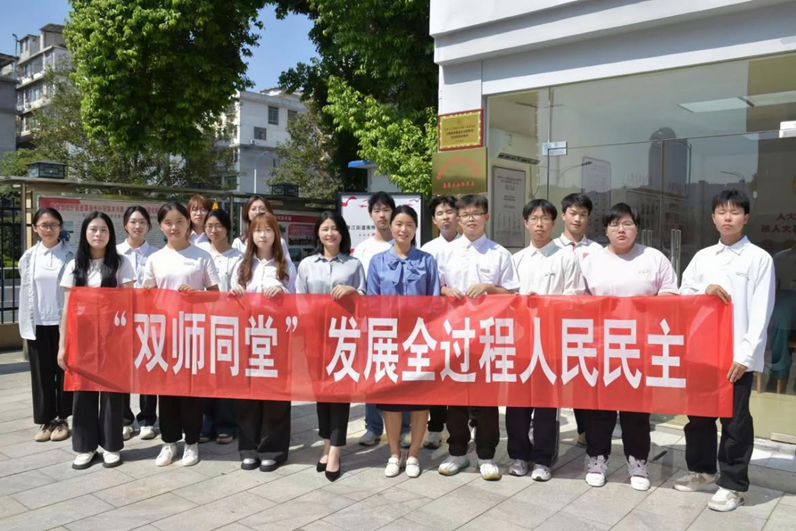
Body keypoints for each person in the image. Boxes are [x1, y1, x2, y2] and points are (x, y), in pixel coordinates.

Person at [675, 189, 776, 512]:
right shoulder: (703, 257)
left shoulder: (759, 259)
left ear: (746, 217)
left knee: (735, 423)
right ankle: (703, 471)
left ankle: (733, 485)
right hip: (702, 353)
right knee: (699, 418)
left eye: (734, 212)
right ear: (713, 218)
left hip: (735, 357)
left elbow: (761, 312)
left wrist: (745, 356)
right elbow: (683, 292)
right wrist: (703, 289)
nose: (727, 217)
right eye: (722, 212)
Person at [579, 203, 678, 491]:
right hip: (601, 346)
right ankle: (597, 459)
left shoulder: (654, 258)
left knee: (637, 410)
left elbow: (671, 295)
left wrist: (644, 306)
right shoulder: (591, 260)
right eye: (614, 224)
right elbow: (578, 301)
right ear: (606, 229)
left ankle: (638, 462)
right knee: (600, 409)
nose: (621, 230)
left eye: (627, 224)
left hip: (640, 346)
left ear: (637, 228)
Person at [437, 194, 519, 481]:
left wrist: (489, 288)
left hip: (488, 336)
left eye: (476, 213)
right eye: (465, 214)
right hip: (455, 334)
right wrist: (446, 291)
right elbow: (437, 287)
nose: (470, 218)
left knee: (486, 399)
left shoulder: (499, 253)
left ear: (487, 217)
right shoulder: (446, 252)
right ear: (458, 219)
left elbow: (512, 293)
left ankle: (486, 454)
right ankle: (457, 452)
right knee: (455, 398)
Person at [508, 199, 585, 481]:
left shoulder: (566, 258)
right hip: (520, 342)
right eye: (534, 218)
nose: (539, 224)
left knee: (546, 405)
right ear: (526, 223)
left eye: (545, 219)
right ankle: (518, 455)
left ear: (554, 223)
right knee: (517, 404)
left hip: (551, 341)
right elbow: (506, 299)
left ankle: (543, 459)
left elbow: (576, 299)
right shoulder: (516, 259)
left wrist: (545, 303)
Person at [143, 202, 220, 467]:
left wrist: (197, 296)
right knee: (166, 393)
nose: (174, 227)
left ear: (188, 223)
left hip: (193, 334)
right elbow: (146, 297)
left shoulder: (202, 256)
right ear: (160, 226)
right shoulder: (155, 259)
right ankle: (169, 442)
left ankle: (191, 443)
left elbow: (216, 296)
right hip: (164, 335)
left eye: (179, 221)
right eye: (168, 222)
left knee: (191, 393)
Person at [57, 211, 136, 469]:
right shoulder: (74, 265)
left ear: (110, 234)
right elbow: (67, 310)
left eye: (103, 230)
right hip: (82, 339)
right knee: (83, 391)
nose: (98, 234)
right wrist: (62, 345)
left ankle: (111, 446)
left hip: (114, 338)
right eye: (93, 229)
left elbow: (130, 305)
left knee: (112, 392)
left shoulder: (121, 263)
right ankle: (85, 447)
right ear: (85, 233)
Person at [368, 205, 439, 479]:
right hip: (389, 339)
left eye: (409, 224)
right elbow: (372, 302)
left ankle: (414, 455)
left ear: (416, 228)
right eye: (399, 224)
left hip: (419, 339)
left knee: (420, 400)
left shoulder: (427, 261)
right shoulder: (377, 262)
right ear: (391, 226)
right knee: (391, 400)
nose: (403, 229)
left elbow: (434, 302)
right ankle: (394, 453)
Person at [295, 210, 366, 482]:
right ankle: (326, 444)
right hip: (315, 337)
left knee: (339, 393)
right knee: (321, 393)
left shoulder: (354, 264)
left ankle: (335, 450)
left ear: (342, 232)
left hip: (343, 338)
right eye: (325, 228)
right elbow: (299, 300)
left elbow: (366, 298)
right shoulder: (306, 264)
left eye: (334, 228)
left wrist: (353, 291)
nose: (330, 233)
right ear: (318, 233)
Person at [231, 212, 296, 472]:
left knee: (275, 394)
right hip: (247, 336)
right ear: (251, 235)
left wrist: (283, 292)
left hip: (276, 337)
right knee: (247, 394)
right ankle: (248, 448)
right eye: (258, 230)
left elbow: (298, 298)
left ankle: (272, 449)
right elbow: (230, 298)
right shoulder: (243, 265)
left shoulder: (285, 264)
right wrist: (235, 292)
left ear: (276, 234)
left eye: (268, 230)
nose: (263, 235)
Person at [355, 192, 410, 447]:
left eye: (386, 209)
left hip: (405, 326)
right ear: (370, 215)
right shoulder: (364, 249)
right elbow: (361, 287)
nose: (382, 215)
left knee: (404, 376)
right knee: (374, 375)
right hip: (373, 324)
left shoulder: (405, 245)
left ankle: (405, 428)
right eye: (377, 210)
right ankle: (373, 427)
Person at [18, 207, 74, 443]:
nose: (49, 229)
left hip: (64, 324)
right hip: (38, 324)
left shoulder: (71, 255)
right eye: (44, 225)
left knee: (64, 373)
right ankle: (46, 420)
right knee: (41, 375)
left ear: (61, 228)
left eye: (54, 225)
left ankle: (62, 419)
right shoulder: (28, 257)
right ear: (35, 228)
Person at [555, 192, 603, 446]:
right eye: (573, 213)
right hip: (555, 324)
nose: (577, 219)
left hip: (587, 324)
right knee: (551, 375)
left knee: (584, 376)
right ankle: (546, 428)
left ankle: (585, 429)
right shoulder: (551, 248)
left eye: (582, 215)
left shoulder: (597, 251)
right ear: (563, 215)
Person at [418, 195, 460, 449]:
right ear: (434, 220)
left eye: (449, 212)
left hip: (464, 322)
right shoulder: (427, 249)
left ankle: (469, 424)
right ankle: (435, 427)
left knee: (463, 374)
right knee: (436, 375)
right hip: (435, 322)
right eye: (440, 213)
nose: (445, 217)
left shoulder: (469, 246)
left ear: (457, 215)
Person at [198, 209, 242, 445]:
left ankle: (227, 424)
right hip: (202, 323)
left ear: (227, 228)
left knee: (225, 374)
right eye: (209, 226)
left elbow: (238, 286)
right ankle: (207, 423)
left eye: (218, 226)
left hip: (228, 322)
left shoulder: (238, 257)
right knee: (205, 374)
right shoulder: (199, 253)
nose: (213, 230)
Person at [117, 206, 159, 441]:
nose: (137, 226)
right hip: (121, 320)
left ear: (148, 226)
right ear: (125, 225)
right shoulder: (115, 253)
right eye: (133, 222)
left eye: (142, 222)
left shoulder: (156, 254)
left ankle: (147, 419)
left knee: (148, 368)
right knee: (122, 369)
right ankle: (124, 418)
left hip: (149, 320)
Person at [232, 195, 294, 283]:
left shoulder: (280, 242)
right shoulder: (239, 242)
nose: (257, 212)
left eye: (262, 209)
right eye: (253, 209)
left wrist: (281, 288)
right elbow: (235, 277)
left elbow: (288, 273)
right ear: (247, 213)